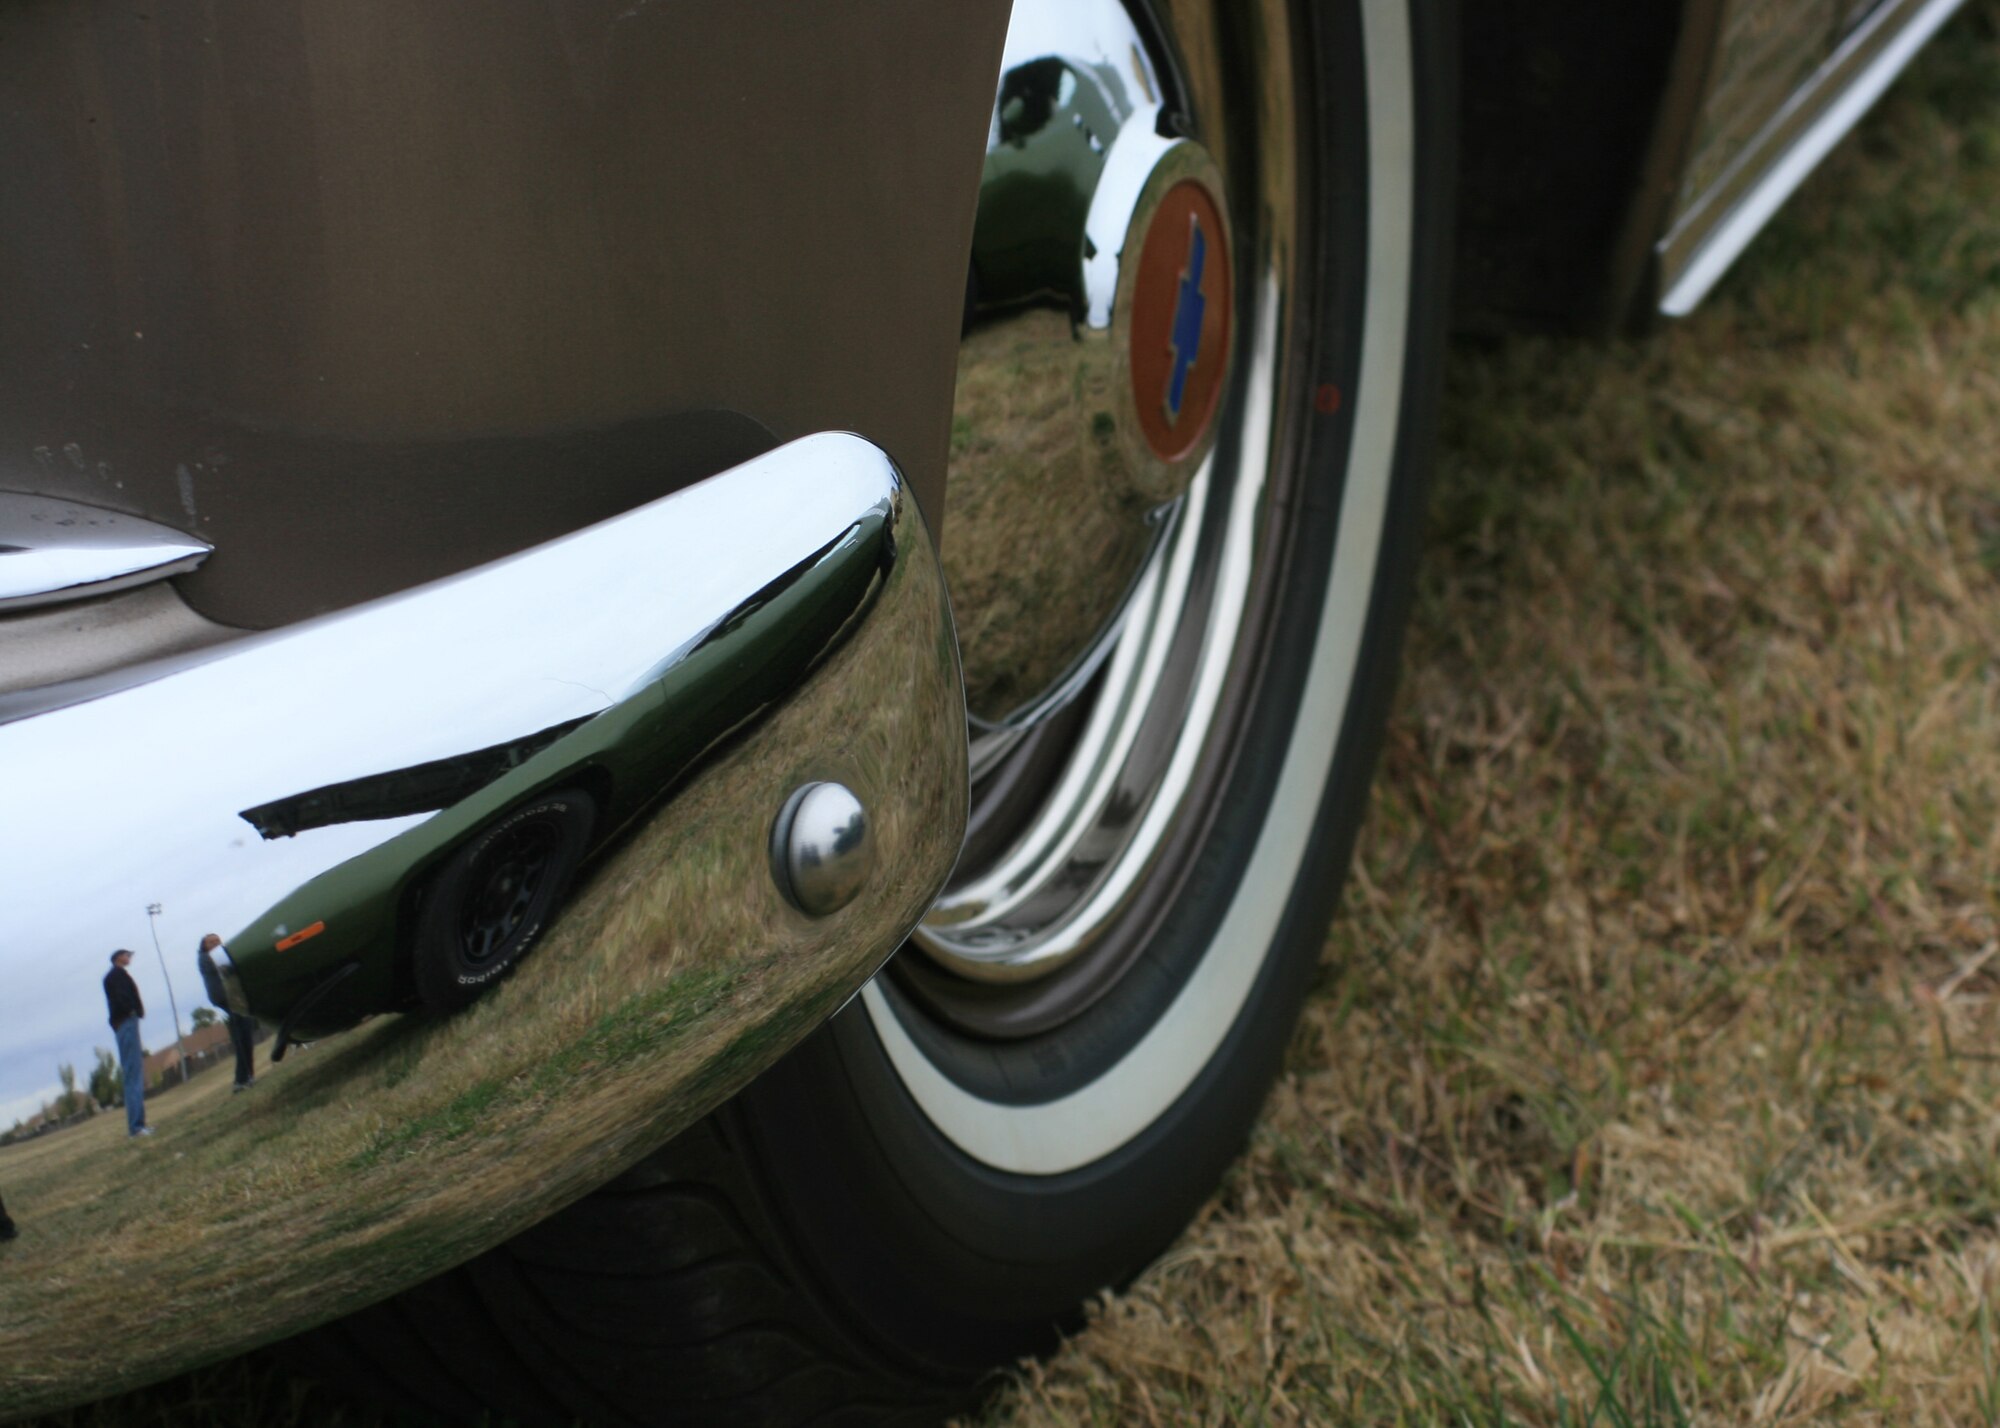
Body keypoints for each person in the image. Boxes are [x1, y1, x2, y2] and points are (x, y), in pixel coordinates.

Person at [197, 933, 257, 1091]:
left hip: (233, 995)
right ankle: (241, 1079)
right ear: (205, 946)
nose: (216, 943)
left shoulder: (219, 954)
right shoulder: (205, 958)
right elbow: (225, 966)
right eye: (211, 942)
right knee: (241, 1035)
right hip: (225, 997)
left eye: (217, 940)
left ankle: (248, 1075)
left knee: (245, 1031)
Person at [103, 949, 151, 1137]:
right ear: (118, 958)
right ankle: (136, 1127)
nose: (129, 958)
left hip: (127, 1022)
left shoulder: (119, 975)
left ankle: (139, 1125)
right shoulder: (115, 976)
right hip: (126, 1023)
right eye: (126, 955)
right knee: (132, 1074)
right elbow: (121, 998)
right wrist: (132, 1010)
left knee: (134, 1073)